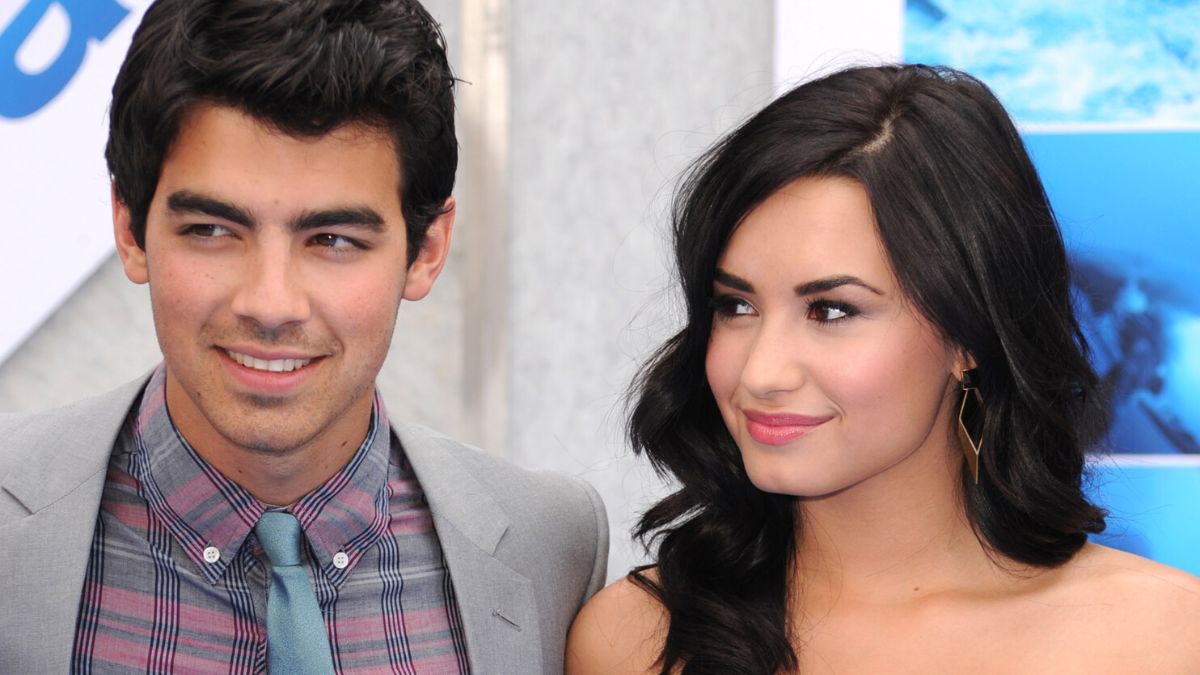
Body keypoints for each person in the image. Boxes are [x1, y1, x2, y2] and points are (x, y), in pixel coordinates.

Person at [0, 1, 607, 672]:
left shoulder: (552, 546)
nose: (271, 303)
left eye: (334, 240)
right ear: (128, 226)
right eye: (212, 229)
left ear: (428, 248)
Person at [565, 64, 1200, 674]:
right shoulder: (632, 640)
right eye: (736, 305)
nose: (761, 372)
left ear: (968, 332)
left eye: (832, 310)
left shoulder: (1160, 638)